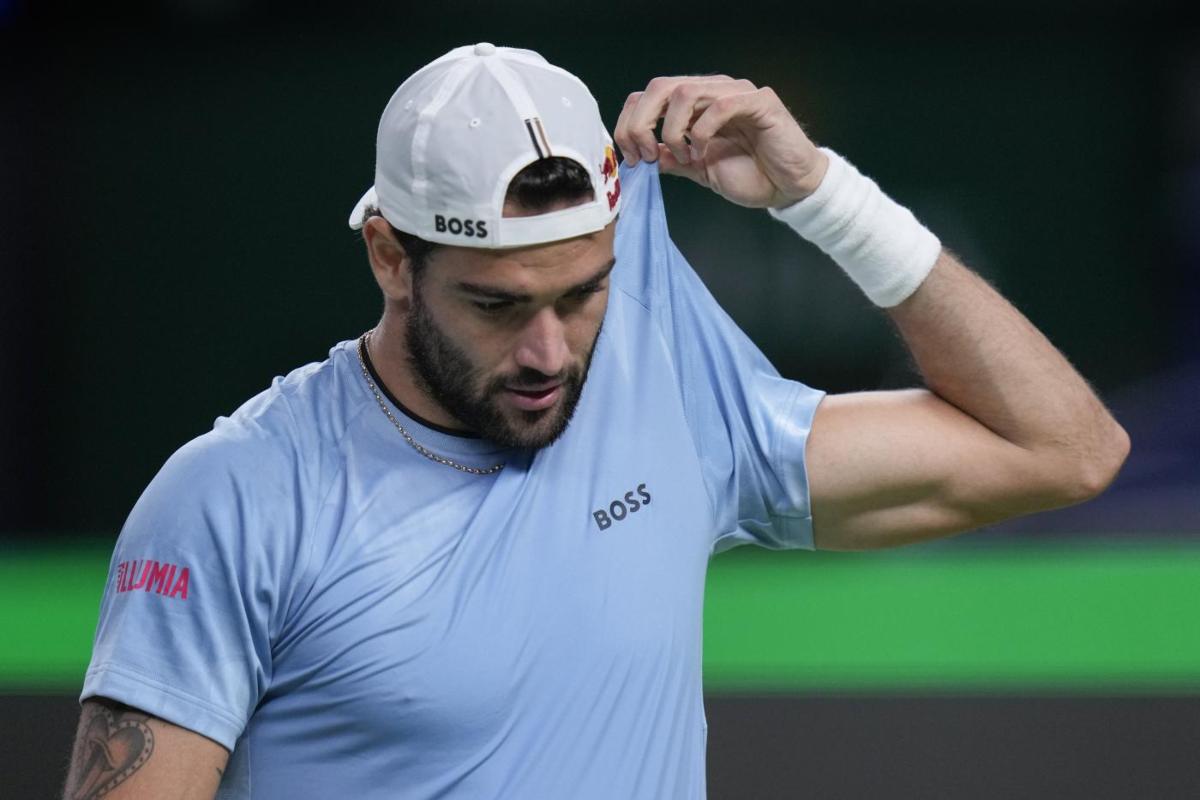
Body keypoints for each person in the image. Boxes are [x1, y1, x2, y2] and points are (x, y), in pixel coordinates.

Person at [62, 43, 1128, 799]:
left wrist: (821, 194)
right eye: (497, 303)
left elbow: (1066, 447)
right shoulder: (236, 492)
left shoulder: (666, 396)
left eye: (583, 292)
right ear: (391, 256)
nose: (550, 352)